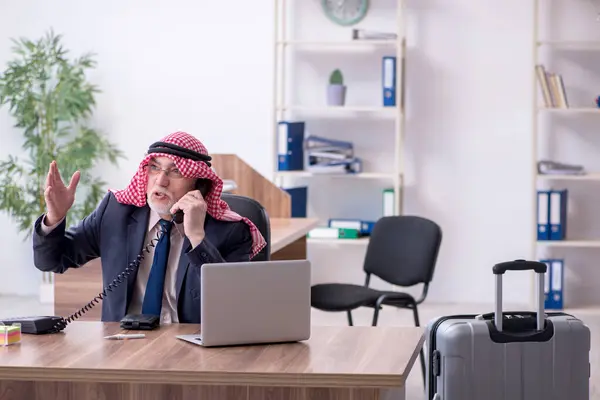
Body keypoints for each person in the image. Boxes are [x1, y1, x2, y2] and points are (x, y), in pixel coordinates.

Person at [32, 131, 267, 324]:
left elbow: (233, 305)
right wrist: (54, 217)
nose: (161, 180)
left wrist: (197, 237)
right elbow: (52, 261)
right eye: (155, 167)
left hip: (194, 349)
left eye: (175, 171)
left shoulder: (230, 230)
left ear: (201, 185)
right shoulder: (116, 212)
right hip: (124, 346)